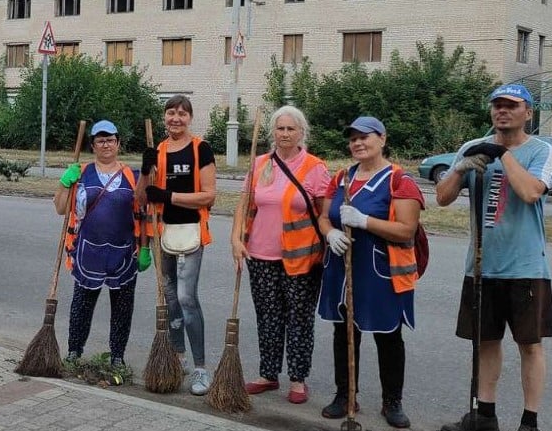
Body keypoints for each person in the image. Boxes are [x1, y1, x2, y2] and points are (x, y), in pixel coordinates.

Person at [436, 84, 552, 431]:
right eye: (497, 105)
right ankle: (485, 415)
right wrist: (459, 167)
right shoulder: (473, 148)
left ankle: (529, 422)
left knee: (529, 345)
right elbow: (442, 198)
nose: (502, 111)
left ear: (528, 113)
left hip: (526, 266)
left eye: (511, 106)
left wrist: (502, 155)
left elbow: (531, 192)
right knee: (486, 341)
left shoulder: (541, 151)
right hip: (480, 267)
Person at [317, 116, 424, 429]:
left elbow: (406, 230)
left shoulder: (399, 180)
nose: (358, 143)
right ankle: (345, 394)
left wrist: (364, 221)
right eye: (353, 139)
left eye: (365, 137)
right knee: (344, 331)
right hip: (341, 267)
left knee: (388, 334)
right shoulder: (341, 178)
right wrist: (329, 233)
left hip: (380, 271)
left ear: (382, 139)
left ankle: (392, 400)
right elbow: (325, 216)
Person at [231, 105, 330, 404]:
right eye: (280, 128)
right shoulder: (259, 163)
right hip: (261, 255)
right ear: (272, 132)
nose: (285, 134)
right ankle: (268, 374)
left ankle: (298, 379)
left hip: (301, 257)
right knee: (268, 316)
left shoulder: (315, 167)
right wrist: (236, 238)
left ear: (302, 132)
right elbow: (245, 204)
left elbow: (325, 214)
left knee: (299, 318)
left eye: (291, 129)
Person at [138, 95, 217, 395]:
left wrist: (169, 196)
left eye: (182, 114)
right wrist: (146, 172)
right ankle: (177, 356)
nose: (176, 118)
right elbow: (142, 197)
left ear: (190, 118)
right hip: (162, 233)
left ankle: (200, 368)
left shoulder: (201, 149)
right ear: (164, 117)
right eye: (171, 113)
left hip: (192, 232)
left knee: (187, 298)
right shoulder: (157, 151)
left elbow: (208, 195)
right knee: (169, 297)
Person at [54, 120, 147, 368]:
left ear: (118, 143)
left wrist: (146, 248)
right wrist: (64, 183)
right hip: (88, 252)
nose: (106, 145)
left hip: (123, 253)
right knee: (81, 305)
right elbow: (61, 208)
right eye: (100, 140)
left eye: (110, 140)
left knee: (122, 307)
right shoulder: (81, 173)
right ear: (93, 145)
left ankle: (117, 356)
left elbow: (147, 214)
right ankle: (74, 351)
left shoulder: (132, 175)